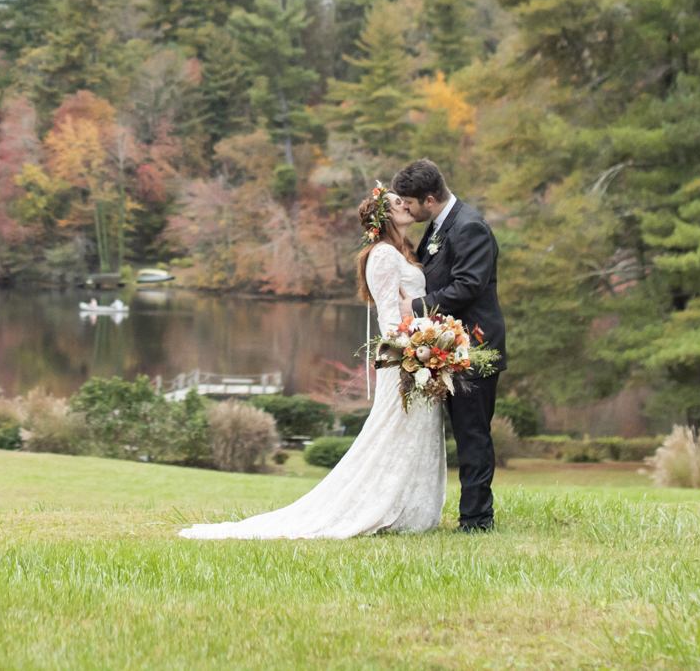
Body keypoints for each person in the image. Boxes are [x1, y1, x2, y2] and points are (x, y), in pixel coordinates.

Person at [179, 187, 445, 539]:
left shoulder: (405, 252)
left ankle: (410, 510)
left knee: (415, 432)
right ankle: (375, 507)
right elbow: (387, 319)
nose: (406, 205)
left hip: (421, 355)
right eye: (398, 202)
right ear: (384, 217)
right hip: (404, 359)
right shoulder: (381, 255)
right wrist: (413, 353)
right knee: (393, 432)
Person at [392, 157, 506, 532]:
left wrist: (416, 307)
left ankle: (477, 519)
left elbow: (469, 285)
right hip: (446, 346)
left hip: (474, 346)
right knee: (463, 432)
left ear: (428, 198)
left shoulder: (470, 226)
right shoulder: (441, 224)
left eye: (409, 203)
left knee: (473, 433)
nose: (406, 209)